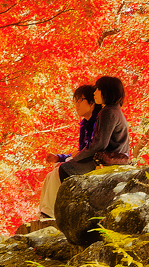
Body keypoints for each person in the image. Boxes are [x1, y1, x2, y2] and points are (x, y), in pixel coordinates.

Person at [38, 84, 101, 219]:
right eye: (75, 101)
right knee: (51, 174)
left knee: (59, 171)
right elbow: (79, 151)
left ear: (92, 103)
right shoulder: (85, 124)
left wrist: (66, 160)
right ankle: (43, 212)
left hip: (95, 161)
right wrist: (59, 158)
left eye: (80, 100)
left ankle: (50, 214)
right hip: (84, 159)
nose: (76, 105)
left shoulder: (98, 121)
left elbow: (93, 148)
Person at [57, 75, 129, 183]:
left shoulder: (108, 112)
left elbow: (100, 144)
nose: (94, 93)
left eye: (98, 89)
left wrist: (78, 156)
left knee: (65, 169)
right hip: (116, 156)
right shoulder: (115, 110)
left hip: (108, 159)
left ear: (106, 91)